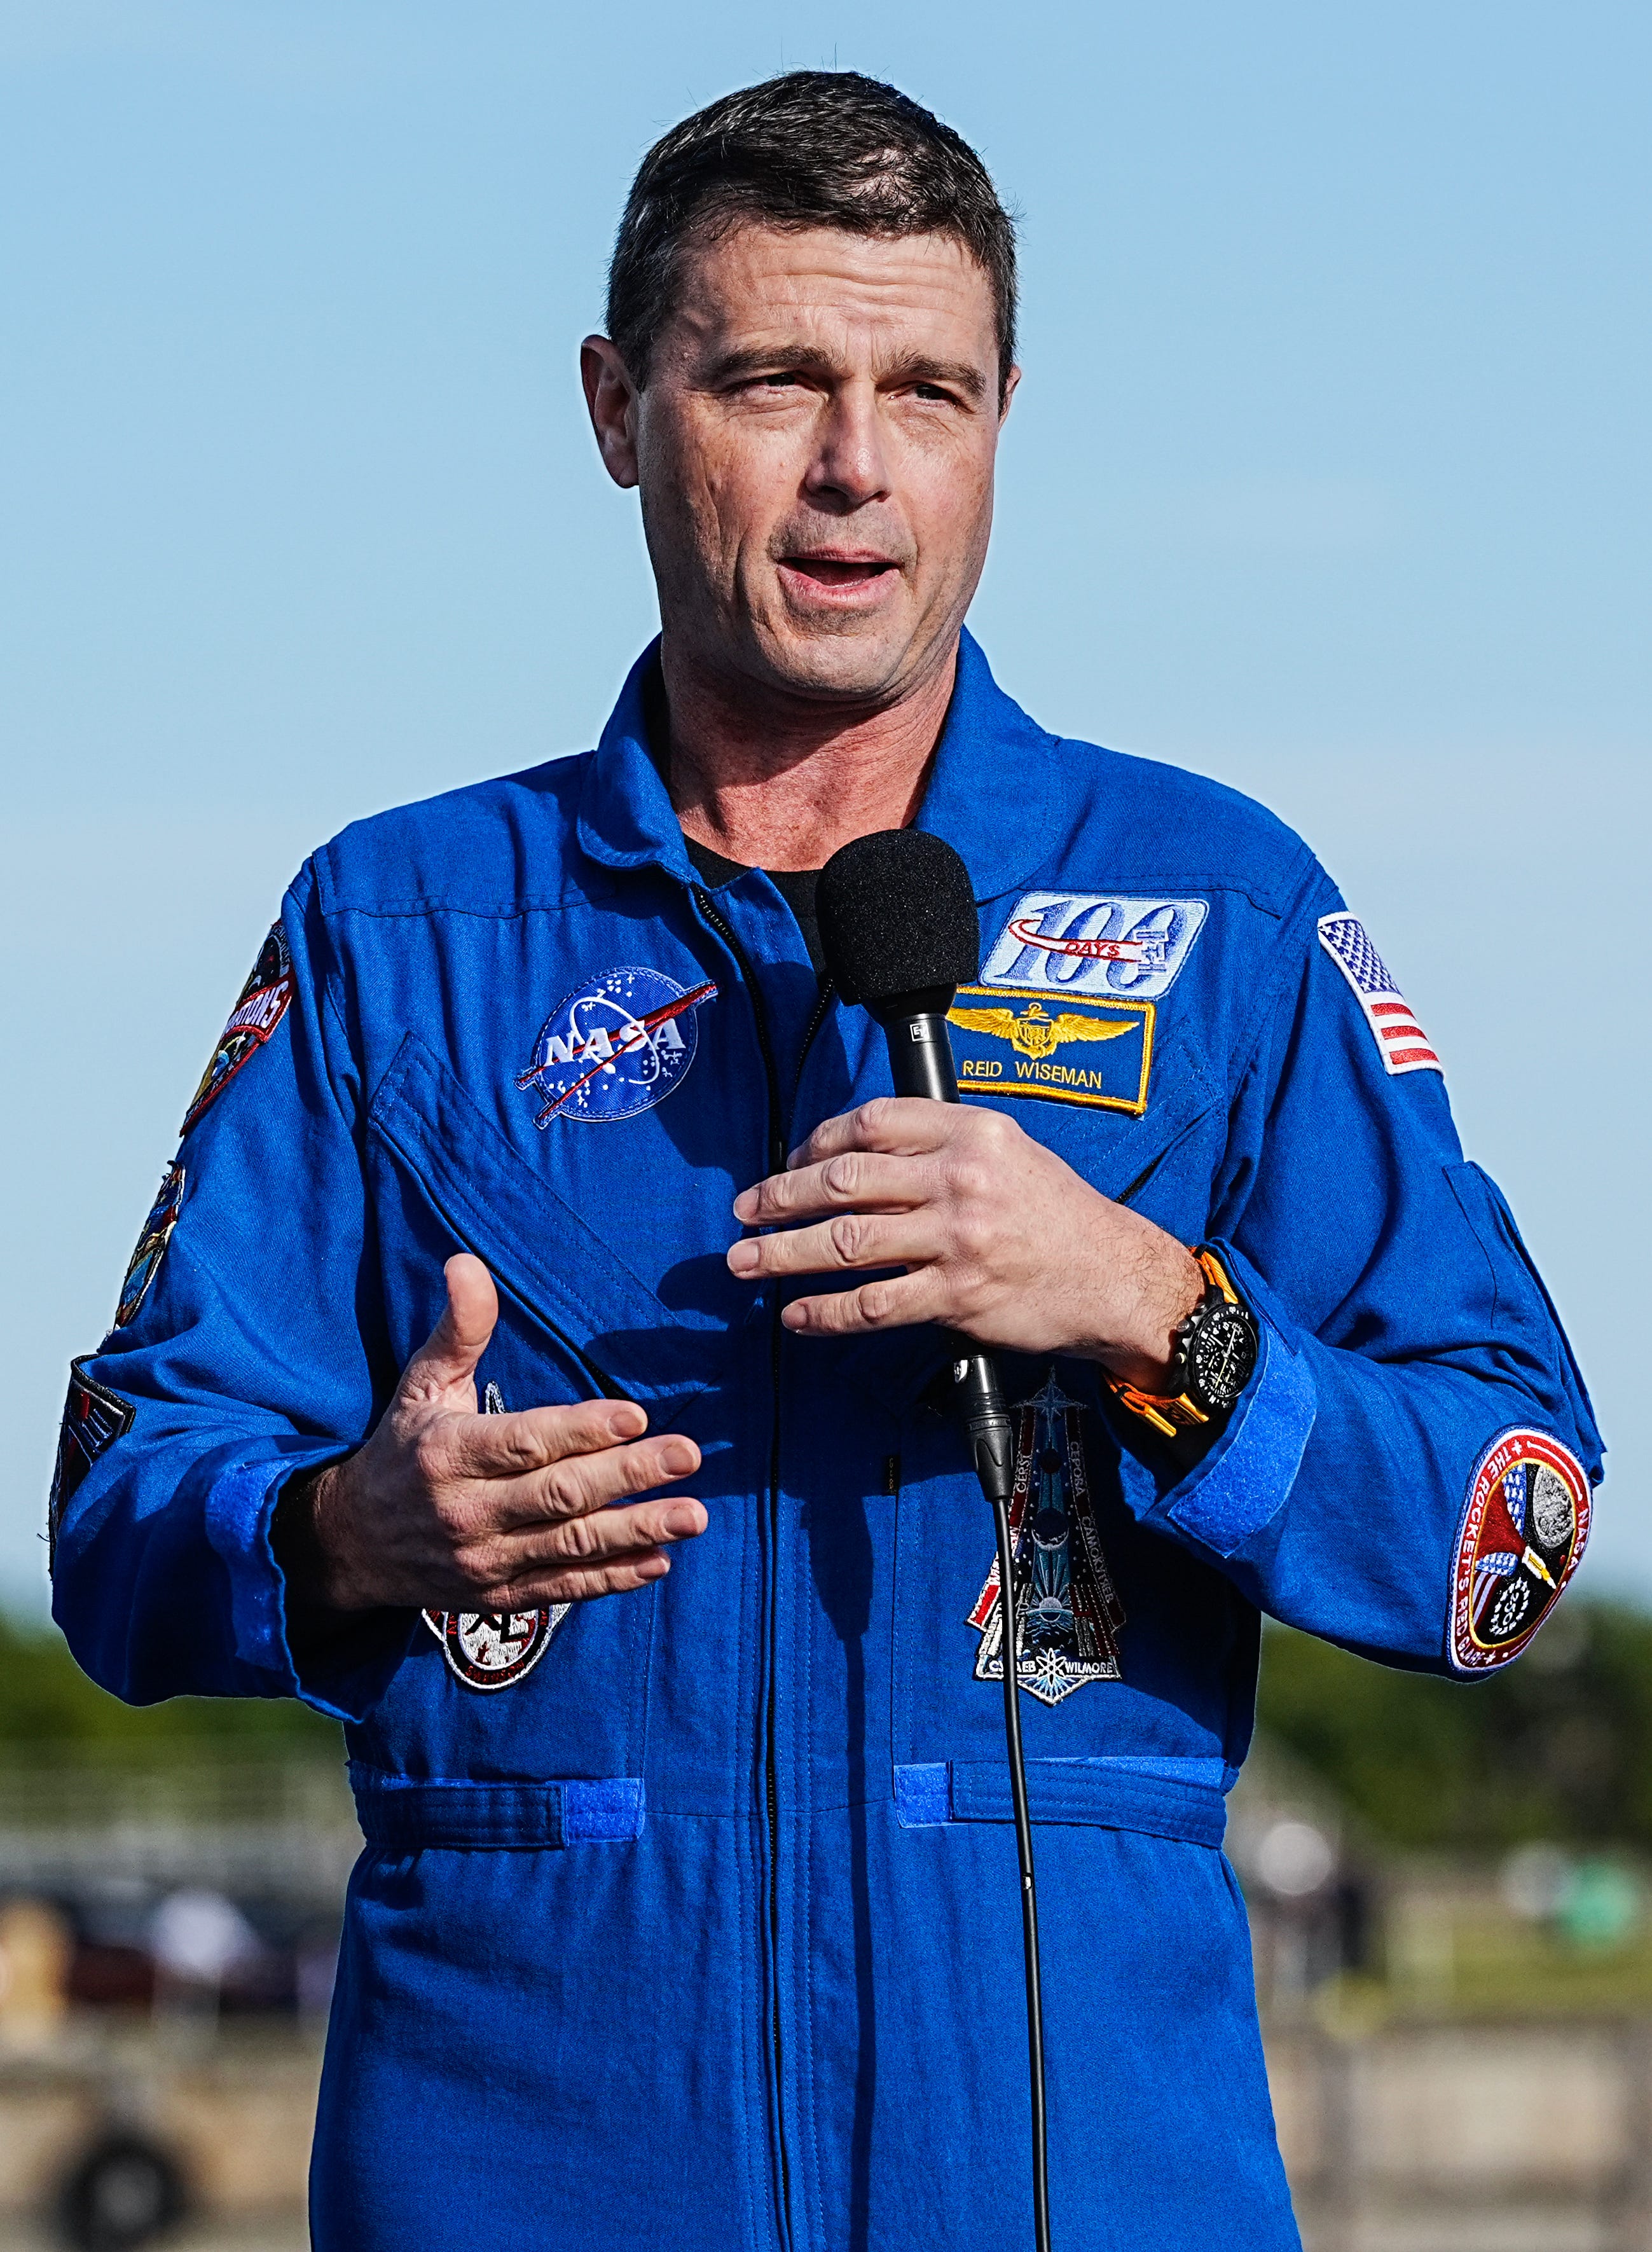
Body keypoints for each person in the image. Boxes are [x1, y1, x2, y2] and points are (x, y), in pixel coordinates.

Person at [50, 71, 1600, 2252]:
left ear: (1004, 418)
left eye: (929, 391)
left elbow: (1504, 1537)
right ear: (616, 406)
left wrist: (1159, 1310)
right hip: (530, 2173)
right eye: (775, 377)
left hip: (1087, 2186)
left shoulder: (1221, 910)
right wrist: (341, 1530)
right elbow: (118, 1518)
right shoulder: (395, 932)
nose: (857, 465)